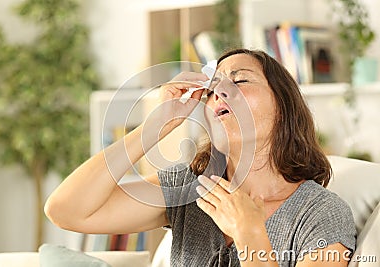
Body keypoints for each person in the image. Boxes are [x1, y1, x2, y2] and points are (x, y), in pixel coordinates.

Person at [45, 48, 356, 267]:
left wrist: (249, 233)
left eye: (241, 79)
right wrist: (153, 127)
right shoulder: (188, 189)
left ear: (283, 105)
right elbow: (66, 211)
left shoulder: (322, 215)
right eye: (212, 87)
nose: (219, 91)